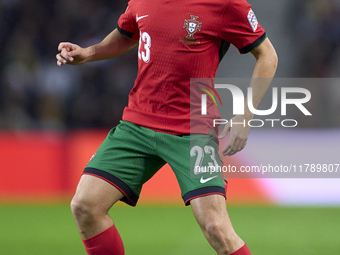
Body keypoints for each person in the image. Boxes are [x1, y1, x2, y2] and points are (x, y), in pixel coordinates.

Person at [56, 0, 277, 254]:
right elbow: (128, 35)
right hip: (137, 125)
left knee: (217, 228)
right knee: (85, 205)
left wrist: (245, 115)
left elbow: (267, 55)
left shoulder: (226, 4)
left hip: (193, 129)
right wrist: (89, 53)